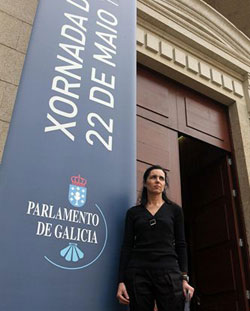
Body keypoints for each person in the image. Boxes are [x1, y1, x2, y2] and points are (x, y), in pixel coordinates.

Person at [116, 165, 194, 311]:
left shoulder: (175, 210)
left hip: (169, 271)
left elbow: (181, 244)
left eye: (161, 178)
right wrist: (121, 281)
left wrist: (184, 277)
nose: (157, 181)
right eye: (153, 177)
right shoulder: (133, 213)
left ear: (165, 185)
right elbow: (126, 246)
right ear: (145, 183)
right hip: (138, 273)